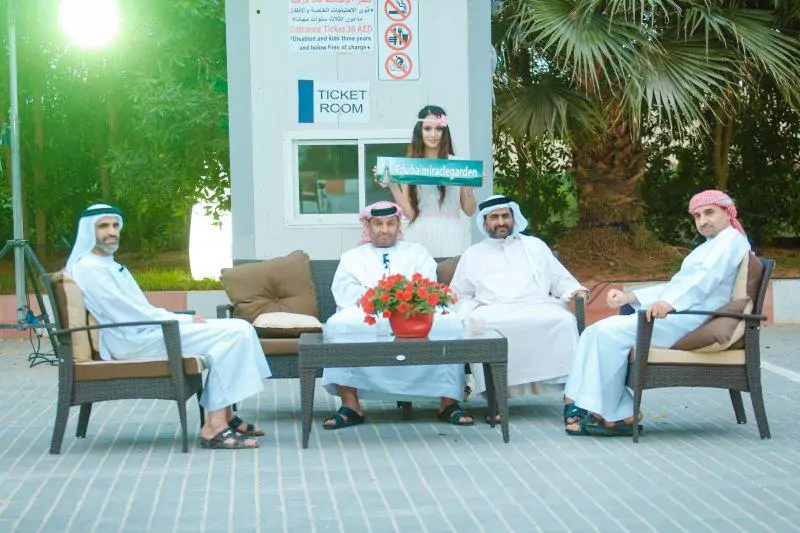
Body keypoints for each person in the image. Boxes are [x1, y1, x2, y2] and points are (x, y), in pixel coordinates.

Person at [65, 204, 272, 450]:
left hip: (145, 330)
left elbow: (136, 310)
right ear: (89, 230)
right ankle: (214, 427)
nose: (112, 231)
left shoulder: (105, 263)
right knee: (235, 333)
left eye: (115, 225)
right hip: (132, 340)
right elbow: (129, 313)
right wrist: (181, 319)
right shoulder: (89, 269)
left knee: (238, 328)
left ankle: (224, 416)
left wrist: (175, 319)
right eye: (103, 226)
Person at [563, 190, 751, 436]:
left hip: (695, 320)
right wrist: (632, 297)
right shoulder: (711, 245)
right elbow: (677, 285)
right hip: (683, 314)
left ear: (728, 213)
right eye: (697, 216)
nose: (703, 220)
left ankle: (614, 416)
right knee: (594, 331)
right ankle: (581, 403)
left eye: (709, 212)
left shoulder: (731, 241)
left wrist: (670, 304)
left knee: (608, 332)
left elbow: (703, 282)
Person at [320, 201, 473, 429]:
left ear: (398, 225)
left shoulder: (417, 252)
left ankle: (448, 403)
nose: (384, 230)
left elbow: (427, 286)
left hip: (412, 313)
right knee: (338, 326)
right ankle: (351, 405)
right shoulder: (352, 257)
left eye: (390, 223)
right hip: (367, 312)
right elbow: (344, 291)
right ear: (368, 226)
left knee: (450, 324)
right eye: (378, 224)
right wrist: (377, 298)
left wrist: (403, 301)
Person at [450, 195, 588, 421]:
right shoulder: (473, 254)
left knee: (564, 321)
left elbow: (558, 278)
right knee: (481, 328)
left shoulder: (535, 245)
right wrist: (473, 306)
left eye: (505, 216)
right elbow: (458, 294)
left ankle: (573, 400)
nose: (501, 222)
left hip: (537, 305)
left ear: (514, 217)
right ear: (484, 222)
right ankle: (496, 399)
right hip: (492, 310)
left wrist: (575, 290)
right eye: (494, 217)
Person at [376, 105, 478, 257]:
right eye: (427, 129)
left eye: (438, 129)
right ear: (420, 131)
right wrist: (393, 186)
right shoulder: (409, 166)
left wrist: (470, 189)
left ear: (444, 131)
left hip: (451, 236)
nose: (433, 134)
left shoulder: (458, 164)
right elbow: (410, 214)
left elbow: (469, 211)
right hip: (418, 235)